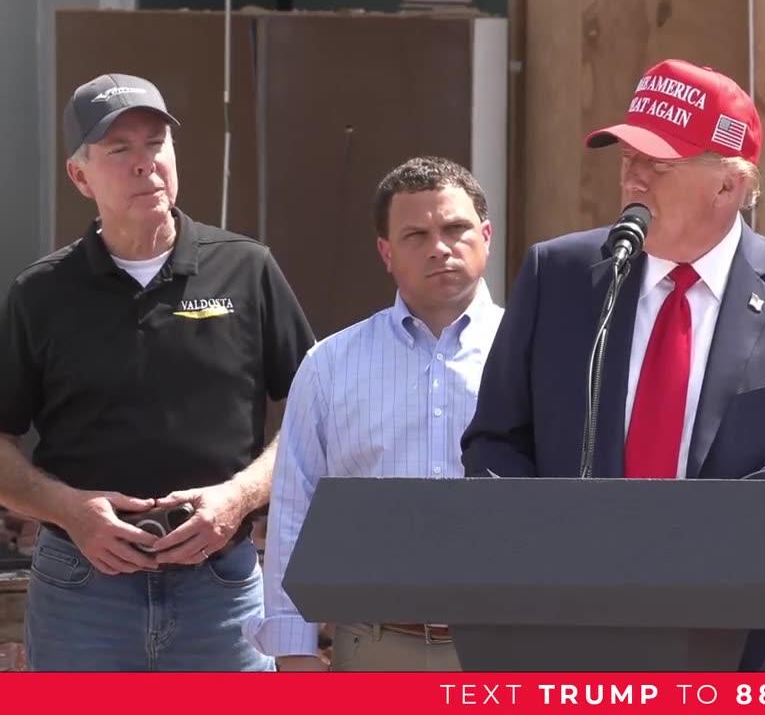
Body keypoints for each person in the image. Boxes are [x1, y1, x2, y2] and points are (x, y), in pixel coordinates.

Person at [460, 58, 765, 672]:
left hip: (745, 639)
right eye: (627, 156)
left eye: (659, 164)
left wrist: (683, 542)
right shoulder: (562, 276)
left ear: (729, 186)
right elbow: (497, 438)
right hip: (572, 634)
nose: (633, 176)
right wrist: (542, 545)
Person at [0, 73, 314, 671]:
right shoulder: (40, 293)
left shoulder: (247, 271)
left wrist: (237, 497)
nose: (144, 163)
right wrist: (69, 511)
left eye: (155, 144)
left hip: (219, 589)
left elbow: (317, 414)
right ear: (80, 175)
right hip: (81, 593)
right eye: (120, 149)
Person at [244, 156, 503, 671]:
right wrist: (293, 651)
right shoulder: (330, 366)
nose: (440, 247)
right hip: (376, 648)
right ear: (386, 252)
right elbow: (295, 509)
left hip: (505, 648)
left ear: (487, 236)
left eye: (455, 228)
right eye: (415, 235)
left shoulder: (537, 354)